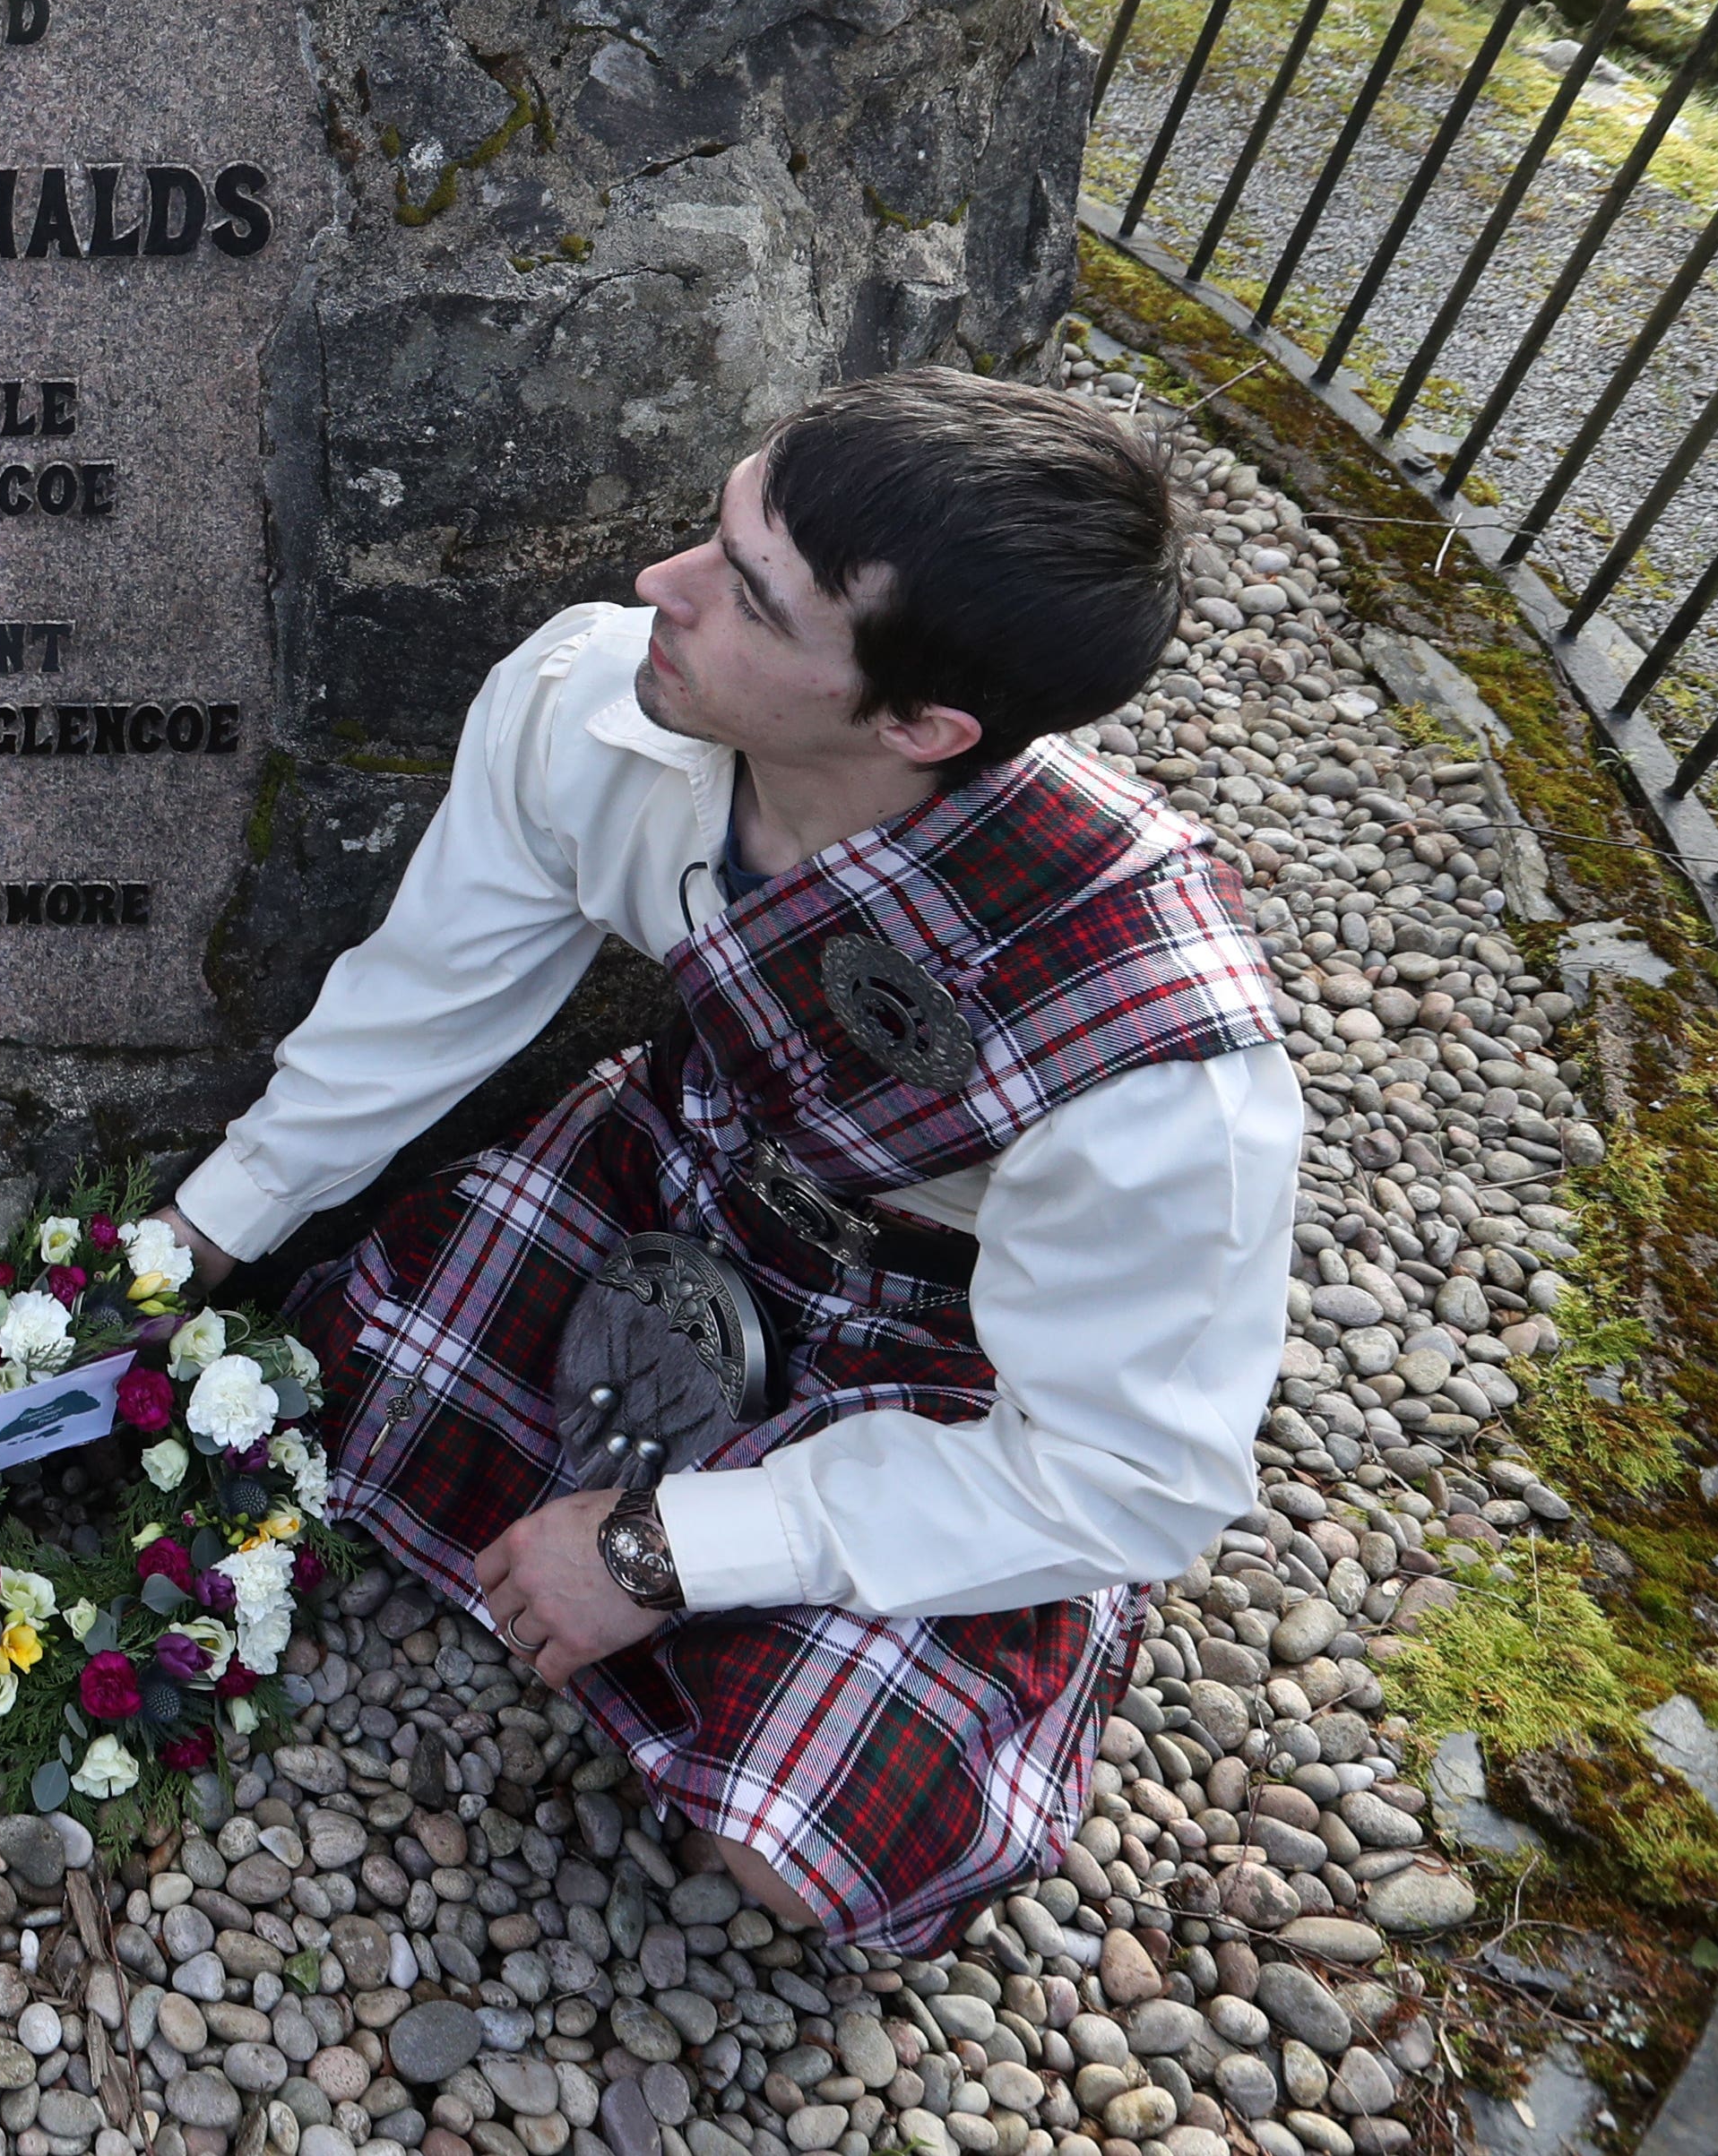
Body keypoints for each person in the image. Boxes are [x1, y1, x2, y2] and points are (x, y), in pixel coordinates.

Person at [164, 367, 1297, 1953]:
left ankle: (990, 1652)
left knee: (801, 1850)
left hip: (939, 1351)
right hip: (680, 1181)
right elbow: (426, 1001)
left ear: (920, 725)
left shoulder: (1162, 1071)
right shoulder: (594, 698)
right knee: (320, 1398)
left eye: (749, 597)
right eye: (718, 528)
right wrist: (195, 1239)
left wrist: (661, 1546)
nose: (657, 589)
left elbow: (1130, 1471)